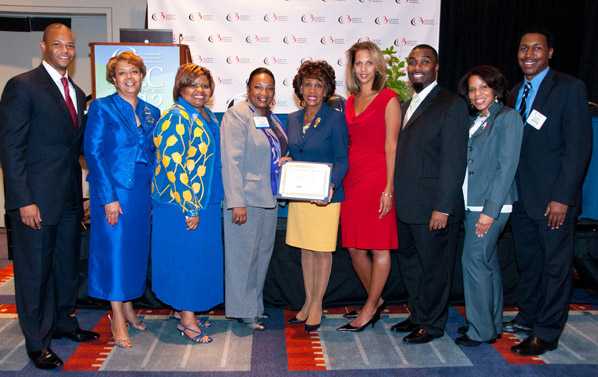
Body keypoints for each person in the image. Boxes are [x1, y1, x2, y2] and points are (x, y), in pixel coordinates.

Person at [0, 23, 99, 369]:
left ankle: (62, 322)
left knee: (64, 268)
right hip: (35, 202)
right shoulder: (22, 86)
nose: (65, 51)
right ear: (43, 47)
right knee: (34, 272)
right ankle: (36, 340)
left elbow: (75, 148)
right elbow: (11, 149)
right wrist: (22, 200)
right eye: (58, 45)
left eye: (70, 46)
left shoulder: (77, 91)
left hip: (69, 198)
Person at [506, 29, 592, 356]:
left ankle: (547, 331)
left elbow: (578, 149)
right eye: (523, 47)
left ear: (550, 53)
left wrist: (563, 198)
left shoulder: (570, 89)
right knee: (530, 263)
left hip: (555, 200)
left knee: (555, 266)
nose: (529, 53)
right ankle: (529, 315)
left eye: (537, 48)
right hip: (523, 200)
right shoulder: (515, 93)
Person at [391, 44, 468, 344]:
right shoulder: (406, 103)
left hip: (434, 208)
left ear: (436, 67)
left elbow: (454, 160)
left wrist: (443, 207)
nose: (417, 66)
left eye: (425, 61)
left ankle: (433, 325)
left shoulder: (451, 103)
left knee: (435, 269)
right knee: (411, 266)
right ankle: (419, 315)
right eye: (412, 62)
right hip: (407, 206)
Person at [84, 51, 160, 348]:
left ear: (142, 76)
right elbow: (94, 154)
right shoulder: (101, 108)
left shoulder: (152, 110)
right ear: (113, 79)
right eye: (122, 73)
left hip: (142, 194)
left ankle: (128, 306)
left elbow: (155, 155)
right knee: (115, 253)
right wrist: (108, 198)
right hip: (114, 194)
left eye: (135, 72)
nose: (130, 78)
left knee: (135, 252)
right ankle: (116, 316)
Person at [152, 64, 223, 344]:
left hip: (206, 200)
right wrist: (189, 206)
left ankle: (186, 309)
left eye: (205, 85)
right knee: (184, 261)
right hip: (181, 205)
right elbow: (174, 164)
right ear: (180, 87)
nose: (200, 90)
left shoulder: (206, 116)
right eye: (193, 84)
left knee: (197, 260)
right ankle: (187, 319)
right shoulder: (175, 117)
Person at [454, 66, 524, 347]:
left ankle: (479, 330)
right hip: (472, 204)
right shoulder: (477, 120)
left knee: (472, 262)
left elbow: (506, 169)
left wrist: (489, 211)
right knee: (487, 263)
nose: (477, 94)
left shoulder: (507, 118)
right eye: (472, 89)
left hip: (490, 206)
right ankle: (491, 324)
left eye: (484, 87)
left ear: (495, 89)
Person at [338, 41, 401, 332]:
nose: (363, 69)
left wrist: (389, 188)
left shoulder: (389, 99)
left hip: (378, 179)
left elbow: (392, 146)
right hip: (353, 179)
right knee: (352, 247)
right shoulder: (349, 101)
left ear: (378, 66)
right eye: (358, 64)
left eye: (368, 63)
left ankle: (368, 307)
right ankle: (375, 300)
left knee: (379, 247)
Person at [221, 67, 287, 330]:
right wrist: (237, 201)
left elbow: (273, 153)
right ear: (248, 87)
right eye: (258, 87)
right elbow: (231, 161)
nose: (264, 92)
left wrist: (284, 161)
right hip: (245, 200)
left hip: (268, 198)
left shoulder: (271, 119)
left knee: (261, 256)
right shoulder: (236, 115)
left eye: (269, 87)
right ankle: (243, 310)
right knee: (242, 257)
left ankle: (254, 306)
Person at [285, 61, 349, 332]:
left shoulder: (334, 118)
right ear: (300, 87)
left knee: (321, 251)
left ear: (326, 90)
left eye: (318, 85)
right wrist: (289, 159)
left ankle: (317, 307)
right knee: (305, 250)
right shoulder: (292, 118)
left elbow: (342, 158)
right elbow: (297, 152)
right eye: (308, 84)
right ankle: (308, 302)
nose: (312, 90)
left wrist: (332, 185)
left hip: (326, 196)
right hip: (301, 196)